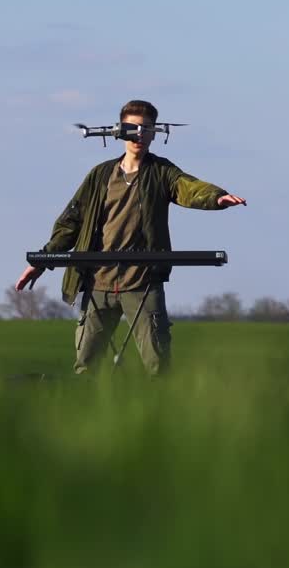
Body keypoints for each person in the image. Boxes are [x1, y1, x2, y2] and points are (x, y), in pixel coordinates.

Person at [14, 99, 245, 375]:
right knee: (86, 366)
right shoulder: (100, 176)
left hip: (142, 283)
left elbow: (189, 187)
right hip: (98, 282)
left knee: (158, 366)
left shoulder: (161, 172)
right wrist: (41, 261)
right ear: (121, 131)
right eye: (133, 128)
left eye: (146, 129)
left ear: (154, 133)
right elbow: (70, 222)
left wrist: (217, 197)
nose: (140, 135)